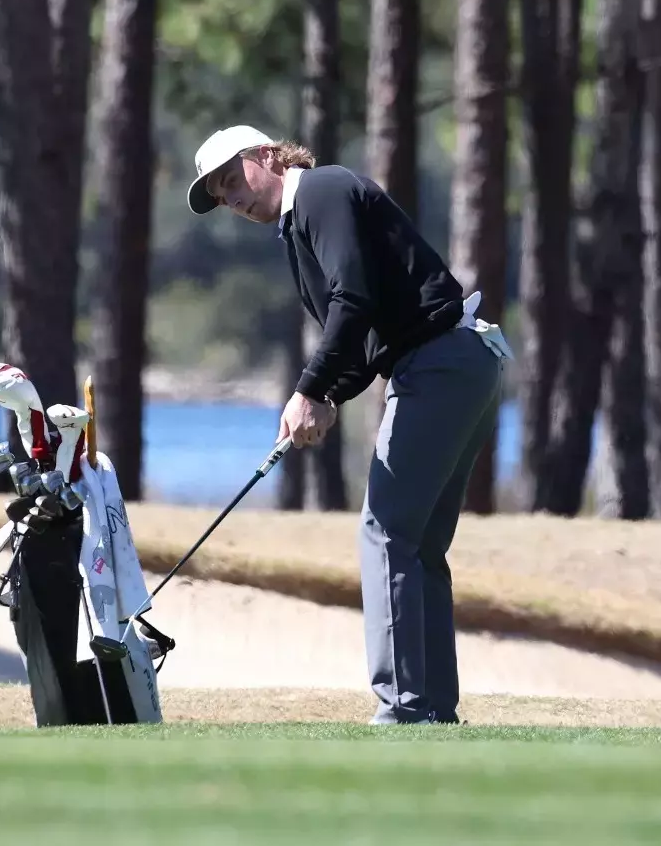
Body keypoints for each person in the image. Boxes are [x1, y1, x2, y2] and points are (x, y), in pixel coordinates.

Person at [185, 124, 512, 725]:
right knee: (417, 546)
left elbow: (352, 300)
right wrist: (331, 397)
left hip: (440, 364)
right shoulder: (300, 221)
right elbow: (365, 338)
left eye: (233, 181)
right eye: (221, 197)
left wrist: (309, 389)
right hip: (457, 363)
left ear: (266, 156)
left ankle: (402, 709)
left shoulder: (320, 192)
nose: (232, 200)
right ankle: (432, 711)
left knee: (385, 533)